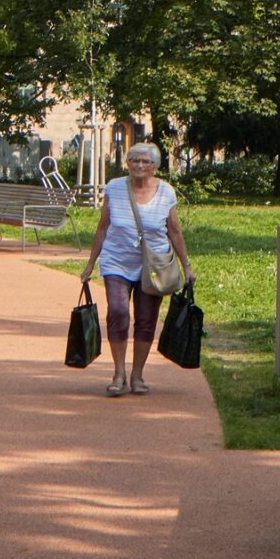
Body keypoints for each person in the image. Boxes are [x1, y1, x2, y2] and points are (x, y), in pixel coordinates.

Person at [80, 145, 193, 395]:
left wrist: (186, 266)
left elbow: (174, 230)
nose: (139, 165)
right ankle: (119, 373)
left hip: (153, 267)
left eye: (145, 161)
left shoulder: (166, 192)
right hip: (117, 261)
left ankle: (137, 375)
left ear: (155, 166)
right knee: (118, 313)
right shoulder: (115, 188)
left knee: (146, 320)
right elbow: (102, 227)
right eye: (134, 160)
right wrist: (90, 263)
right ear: (127, 163)